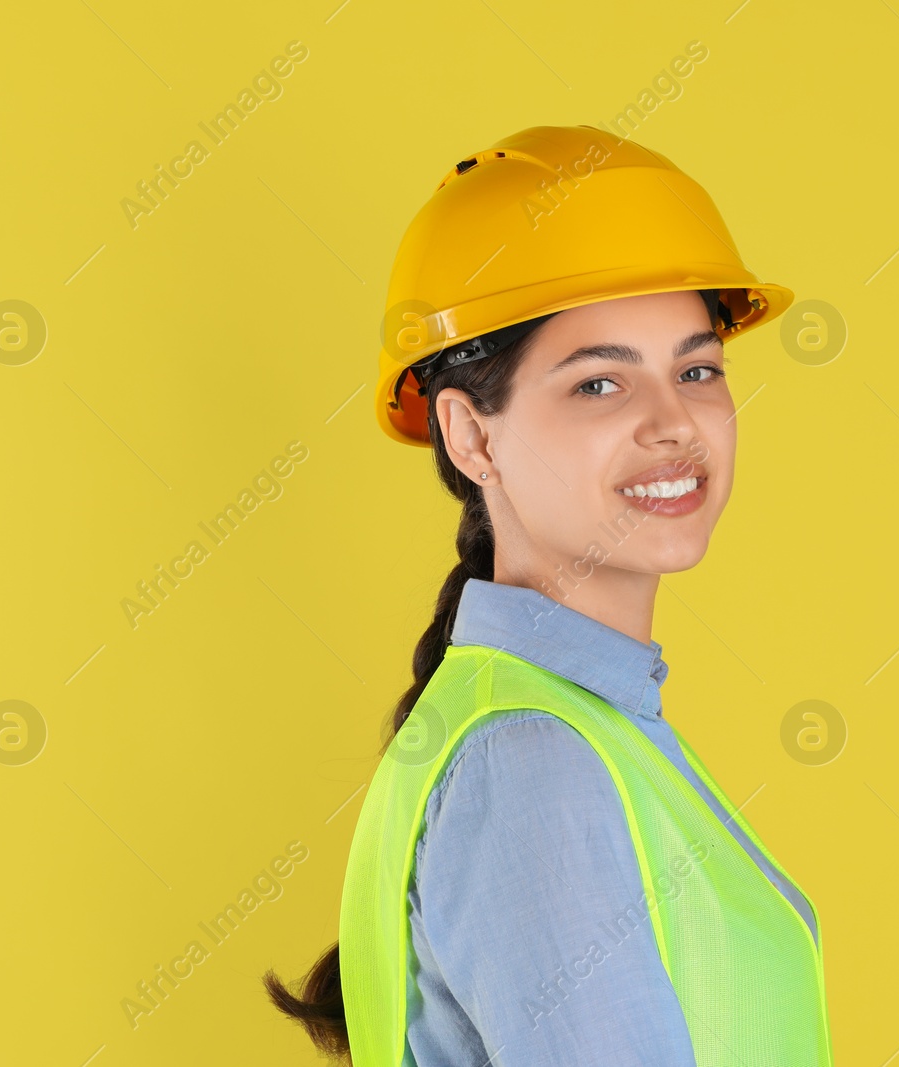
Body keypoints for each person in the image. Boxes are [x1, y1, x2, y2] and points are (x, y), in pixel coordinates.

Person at [264, 125, 832, 1066]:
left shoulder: (564, 728)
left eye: (697, 369)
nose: (673, 423)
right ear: (471, 437)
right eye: (600, 383)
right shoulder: (531, 761)